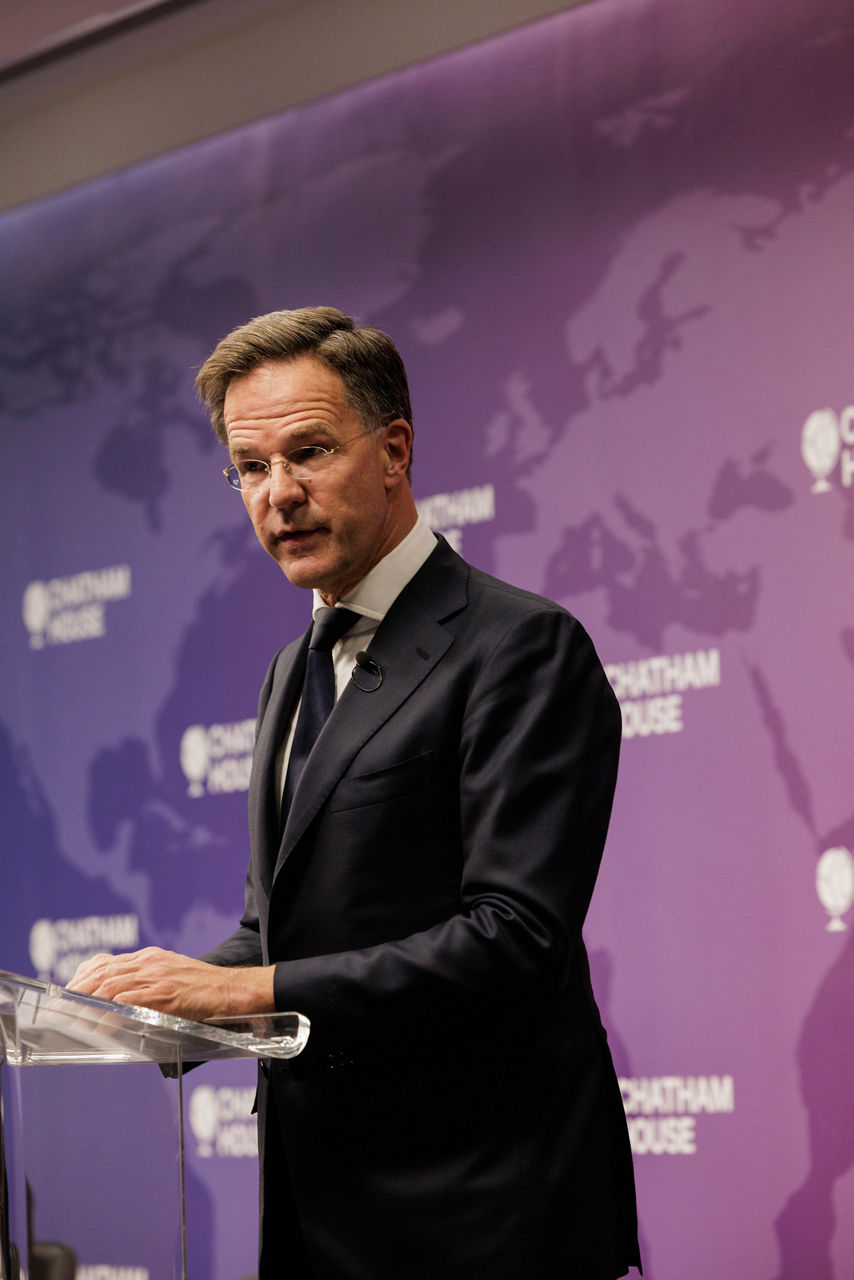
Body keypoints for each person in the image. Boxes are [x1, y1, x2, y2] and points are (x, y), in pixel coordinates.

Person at [70, 307, 641, 1279]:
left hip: (482, 1212)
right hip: (318, 1207)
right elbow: (276, 931)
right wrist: (163, 1020)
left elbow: (513, 935)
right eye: (250, 468)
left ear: (393, 449)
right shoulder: (289, 669)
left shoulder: (518, 648)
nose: (278, 494)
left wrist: (242, 990)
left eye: (308, 452)